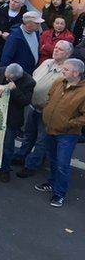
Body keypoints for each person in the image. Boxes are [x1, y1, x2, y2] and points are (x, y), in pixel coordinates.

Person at [15, 40, 72, 178]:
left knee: (42, 140)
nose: (56, 50)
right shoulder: (46, 62)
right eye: (56, 47)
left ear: (68, 54)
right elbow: (34, 77)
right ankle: (21, 156)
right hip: (33, 106)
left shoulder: (67, 71)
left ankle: (31, 165)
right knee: (29, 134)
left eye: (60, 49)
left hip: (47, 112)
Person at [36, 58, 85, 207]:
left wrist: (68, 124)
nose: (62, 72)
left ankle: (59, 194)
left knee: (62, 164)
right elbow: (50, 98)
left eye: (66, 70)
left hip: (67, 134)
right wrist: (47, 111)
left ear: (76, 73)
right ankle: (52, 183)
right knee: (53, 159)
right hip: (50, 128)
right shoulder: (59, 82)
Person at [0, 64, 36, 182]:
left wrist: (14, 90)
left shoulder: (29, 82)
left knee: (8, 146)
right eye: (6, 77)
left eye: (10, 79)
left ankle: (4, 170)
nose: (7, 80)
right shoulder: (1, 71)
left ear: (18, 77)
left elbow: (25, 101)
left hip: (11, 118)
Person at [0, 11, 44, 75]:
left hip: (31, 72)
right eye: (37, 23)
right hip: (18, 74)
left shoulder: (36, 32)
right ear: (28, 23)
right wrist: (5, 75)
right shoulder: (15, 36)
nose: (39, 25)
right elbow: (6, 56)